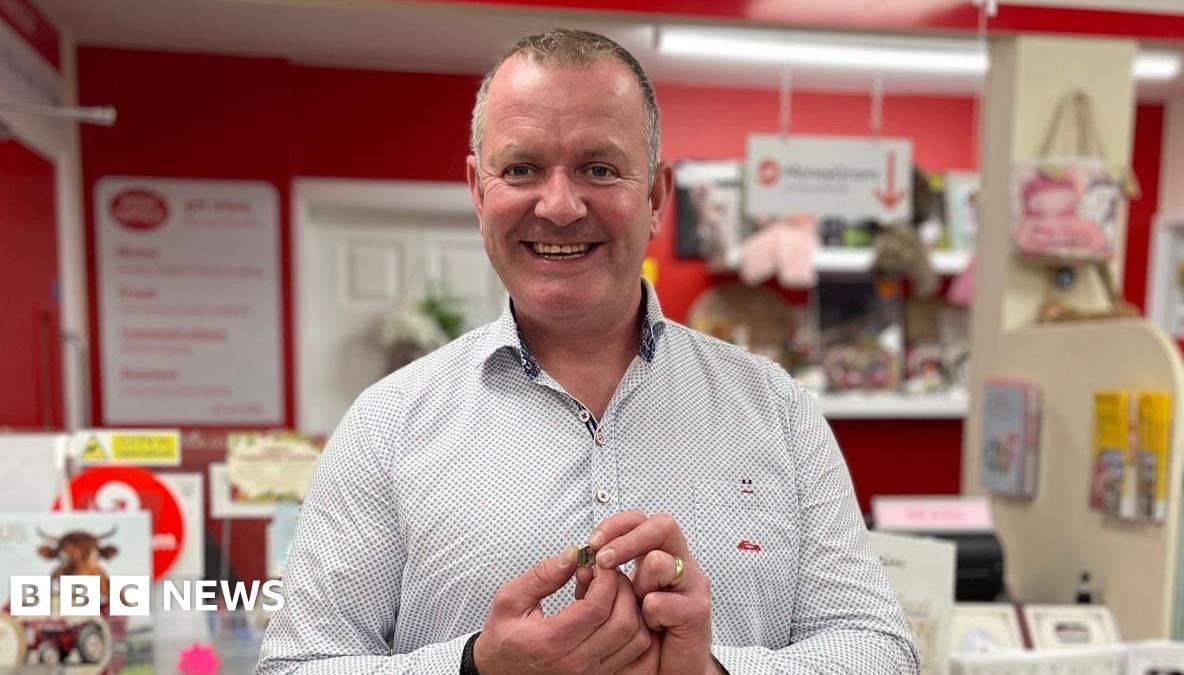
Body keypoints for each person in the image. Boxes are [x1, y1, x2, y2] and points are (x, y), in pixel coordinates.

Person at [257, 29, 919, 674]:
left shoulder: (777, 411)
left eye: (598, 169)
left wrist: (711, 669)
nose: (560, 206)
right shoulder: (387, 424)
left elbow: (881, 651)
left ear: (655, 197)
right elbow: (294, 664)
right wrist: (475, 667)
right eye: (521, 169)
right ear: (478, 191)